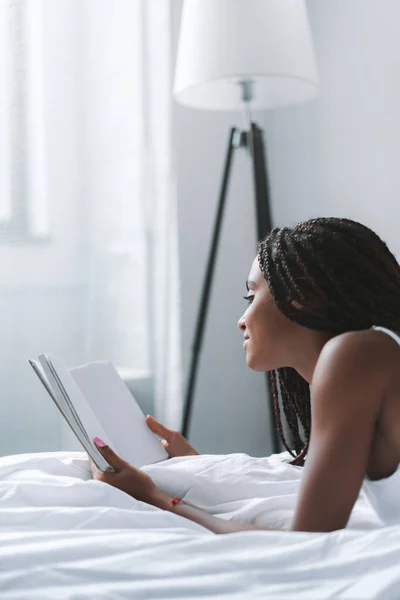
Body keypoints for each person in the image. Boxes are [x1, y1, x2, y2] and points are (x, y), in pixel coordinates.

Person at [89, 217, 400, 533]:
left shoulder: (357, 356)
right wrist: (200, 469)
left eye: (251, 297)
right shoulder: (372, 356)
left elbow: (306, 541)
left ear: (300, 295)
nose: (241, 320)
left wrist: (153, 496)